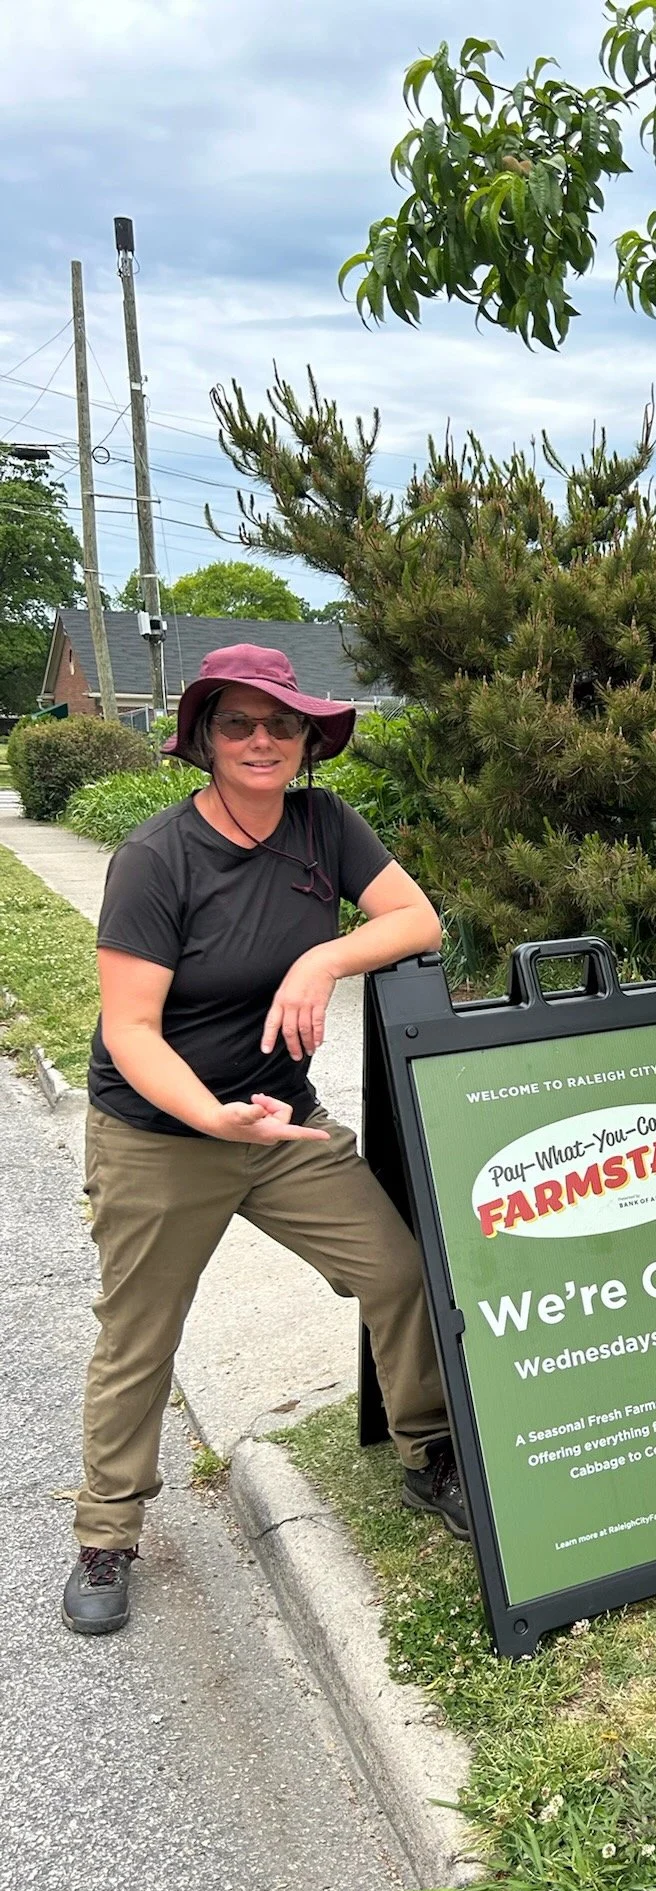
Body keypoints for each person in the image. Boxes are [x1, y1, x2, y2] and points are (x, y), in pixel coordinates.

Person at [63, 644, 467, 1639]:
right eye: (237, 722)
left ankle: (431, 1452)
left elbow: (421, 922)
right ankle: (107, 1532)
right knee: (138, 1335)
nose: (259, 740)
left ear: (305, 740)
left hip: (280, 1120)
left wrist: (325, 955)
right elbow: (130, 1031)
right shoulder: (157, 858)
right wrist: (209, 1115)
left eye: (279, 724)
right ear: (204, 736)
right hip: (160, 1133)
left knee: (399, 1268)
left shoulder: (324, 826)